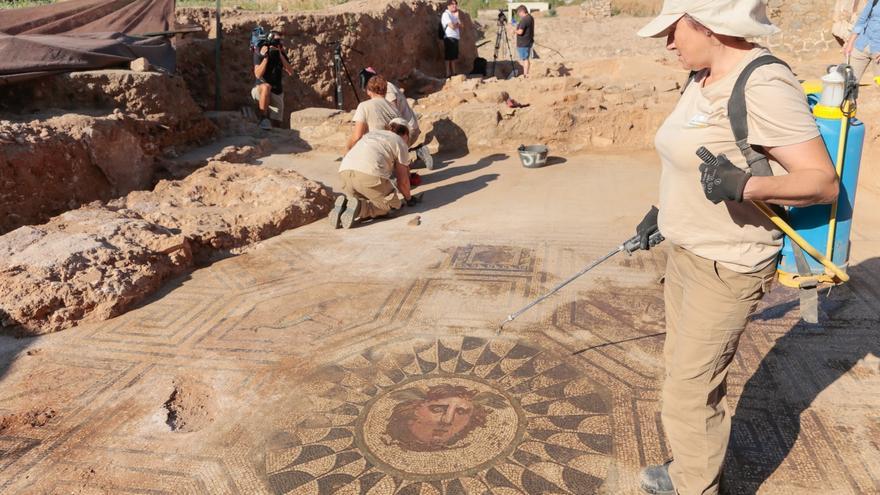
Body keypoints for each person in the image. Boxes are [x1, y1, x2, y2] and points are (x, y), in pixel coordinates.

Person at [633, 1, 839, 494]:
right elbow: (691, 159)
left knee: (687, 391)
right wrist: (664, 211)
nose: (667, 43)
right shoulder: (700, 77)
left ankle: (694, 486)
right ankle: (691, 470)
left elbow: (822, 182)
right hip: (686, 251)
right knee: (685, 375)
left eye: (674, 31)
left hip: (728, 262)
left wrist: (746, 187)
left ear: (710, 28)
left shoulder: (764, 84)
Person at [330, 118, 414, 229]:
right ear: (406, 134)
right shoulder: (400, 142)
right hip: (368, 176)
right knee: (394, 206)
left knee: (364, 197)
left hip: (345, 173)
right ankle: (361, 208)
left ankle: (345, 206)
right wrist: (409, 199)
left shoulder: (372, 134)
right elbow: (402, 181)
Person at [360, 67, 434, 169]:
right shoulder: (383, 88)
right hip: (403, 129)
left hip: (407, 131)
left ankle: (416, 153)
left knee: (386, 157)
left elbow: (393, 116)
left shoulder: (388, 88)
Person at [252, 30, 293, 130]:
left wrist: (280, 55)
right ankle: (263, 118)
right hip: (260, 90)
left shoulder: (280, 53)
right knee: (266, 86)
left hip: (277, 92)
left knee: (276, 126)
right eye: (277, 40)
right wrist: (266, 58)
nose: (279, 43)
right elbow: (257, 74)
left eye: (280, 41)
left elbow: (290, 71)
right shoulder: (260, 52)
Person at [347, 75, 400, 150]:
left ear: (368, 91)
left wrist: (347, 152)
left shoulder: (364, 106)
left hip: (373, 151)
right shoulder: (395, 110)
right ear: (385, 91)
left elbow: (357, 136)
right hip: (391, 153)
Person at [843, 0, 880, 85]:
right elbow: (862, 20)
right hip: (862, 45)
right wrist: (850, 43)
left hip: (878, 52)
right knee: (848, 83)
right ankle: (848, 98)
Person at [441, 0, 462, 77]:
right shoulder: (446, 14)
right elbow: (452, 26)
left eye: (455, 4)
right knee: (448, 56)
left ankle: (454, 73)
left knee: (453, 57)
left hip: (455, 37)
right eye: (452, 4)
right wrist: (457, 24)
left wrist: (457, 19)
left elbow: (462, 25)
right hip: (449, 37)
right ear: (448, 6)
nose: (454, 5)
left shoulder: (454, 15)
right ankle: (448, 73)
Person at [513, 5, 534, 77]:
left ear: (522, 11)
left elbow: (520, 32)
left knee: (525, 59)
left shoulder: (524, 20)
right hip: (528, 41)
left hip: (524, 43)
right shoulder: (530, 17)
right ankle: (526, 73)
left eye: (519, 13)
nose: (519, 15)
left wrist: (514, 31)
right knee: (526, 58)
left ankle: (525, 74)